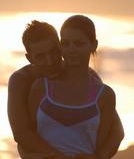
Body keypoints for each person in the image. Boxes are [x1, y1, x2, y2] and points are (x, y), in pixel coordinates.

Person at [8, 20, 109, 159]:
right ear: (29, 58)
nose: (50, 61)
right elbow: (21, 133)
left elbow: (116, 129)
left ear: (61, 47)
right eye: (40, 57)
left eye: (53, 52)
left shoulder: (87, 76)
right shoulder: (22, 80)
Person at [28, 15, 124, 159]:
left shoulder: (105, 95)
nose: (71, 49)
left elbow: (101, 147)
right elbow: (27, 139)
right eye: (65, 43)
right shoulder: (40, 88)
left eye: (78, 43)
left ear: (93, 45)